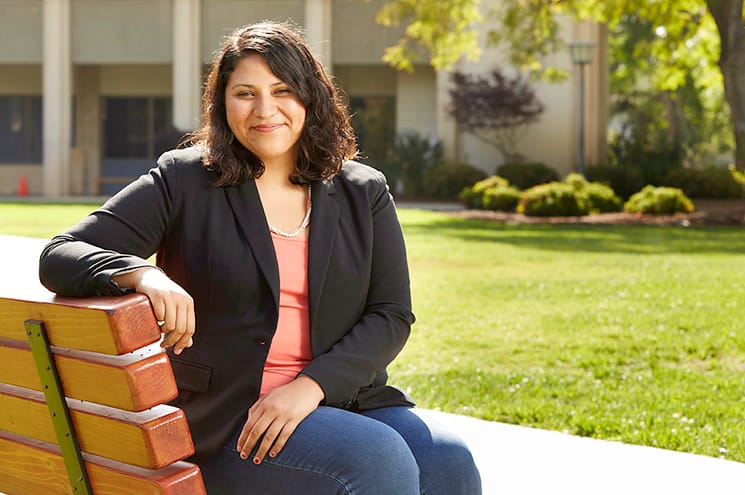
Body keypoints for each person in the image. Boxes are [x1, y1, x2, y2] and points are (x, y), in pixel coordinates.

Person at [39, 21, 481, 494]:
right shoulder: (185, 180)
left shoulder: (362, 190)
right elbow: (60, 255)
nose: (264, 110)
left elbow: (390, 314)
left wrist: (310, 387)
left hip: (339, 399)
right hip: (231, 416)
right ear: (222, 103)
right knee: (376, 457)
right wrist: (142, 273)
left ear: (310, 98)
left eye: (282, 90)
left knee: (448, 458)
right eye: (245, 93)